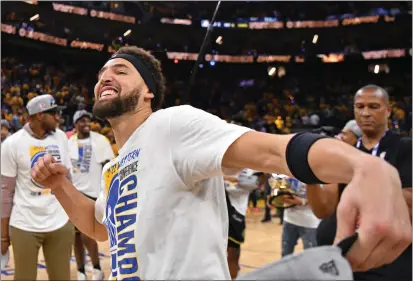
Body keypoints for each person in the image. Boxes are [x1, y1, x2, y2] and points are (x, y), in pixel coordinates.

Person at [31, 47, 411, 280]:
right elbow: (100, 228)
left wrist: (365, 167)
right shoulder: (115, 166)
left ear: (148, 91)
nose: (105, 77)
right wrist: (60, 186)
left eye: (120, 70)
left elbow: (274, 151)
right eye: (101, 74)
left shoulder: (172, 125)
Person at [308, 85, 412, 281]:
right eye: (360, 107)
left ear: (388, 110)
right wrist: (310, 178)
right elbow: (324, 210)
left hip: (388, 262)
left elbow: (409, 202)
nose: (366, 113)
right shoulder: (342, 153)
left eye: (374, 107)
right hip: (342, 261)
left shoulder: (405, 147)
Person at [1, 94, 74, 280]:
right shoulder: (12, 144)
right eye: (54, 113)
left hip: (59, 221)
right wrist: (2, 235)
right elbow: (5, 192)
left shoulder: (61, 138)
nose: (58, 117)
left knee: (62, 277)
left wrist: (75, 217)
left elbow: (69, 180)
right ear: (39, 115)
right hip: (24, 223)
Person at [69, 110, 115, 280]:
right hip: (74, 194)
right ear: (75, 124)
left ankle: (97, 268)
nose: (86, 123)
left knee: (88, 235)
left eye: (87, 120)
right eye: (81, 121)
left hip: (93, 194)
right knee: (76, 236)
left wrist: (107, 194)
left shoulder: (100, 141)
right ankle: (81, 270)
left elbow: (108, 167)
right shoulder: (70, 143)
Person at [224, 169, 261, 279]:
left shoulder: (249, 170)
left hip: (236, 215)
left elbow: (253, 184)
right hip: (218, 212)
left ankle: (233, 276)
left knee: (233, 253)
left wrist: (226, 178)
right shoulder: (223, 166)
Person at [275, 176, 320, 257]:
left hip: (310, 222)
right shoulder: (288, 171)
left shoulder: (317, 173)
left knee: (311, 258)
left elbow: (323, 199)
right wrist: (276, 200)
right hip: (289, 219)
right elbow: (282, 191)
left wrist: (302, 201)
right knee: (285, 255)